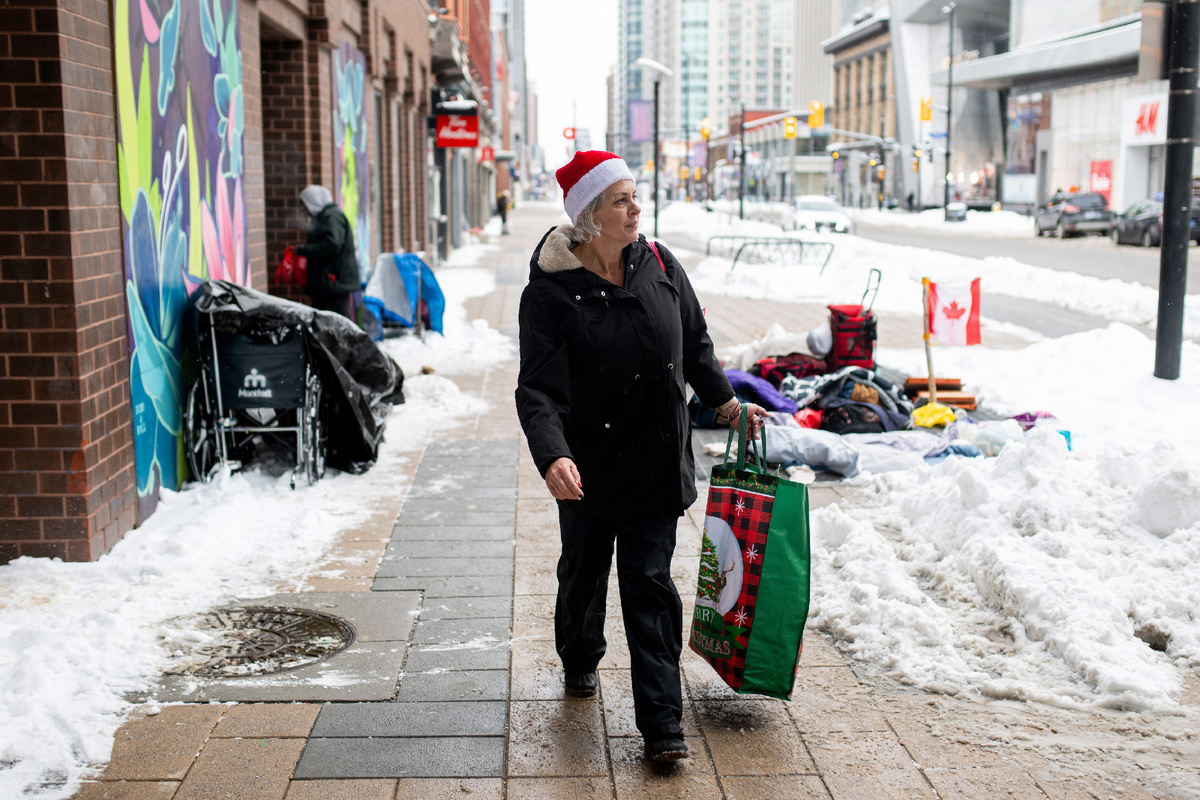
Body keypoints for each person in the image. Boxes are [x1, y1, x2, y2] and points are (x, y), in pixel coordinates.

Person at [515, 150, 768, 763]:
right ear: (589, 218)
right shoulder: (550, 294)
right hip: (588, 468)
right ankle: (579, 654)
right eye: (621, 200)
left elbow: (697, 342)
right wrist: (552, 457)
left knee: (650, 589)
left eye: (635, 195)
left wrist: (727, 404)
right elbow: (538, 391)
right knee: (582, 572)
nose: (636, 209)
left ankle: (661, 725)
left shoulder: (658, 261)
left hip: (656, 459)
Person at [296, 185, 360, 320]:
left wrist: (305, 250)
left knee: (335, 323)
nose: (305, 211)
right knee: (330, 323)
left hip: (333, 283)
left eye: (306, 205)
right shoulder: (327, 216)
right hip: (330, 284)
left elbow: (333, 244)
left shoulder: (331, 216)